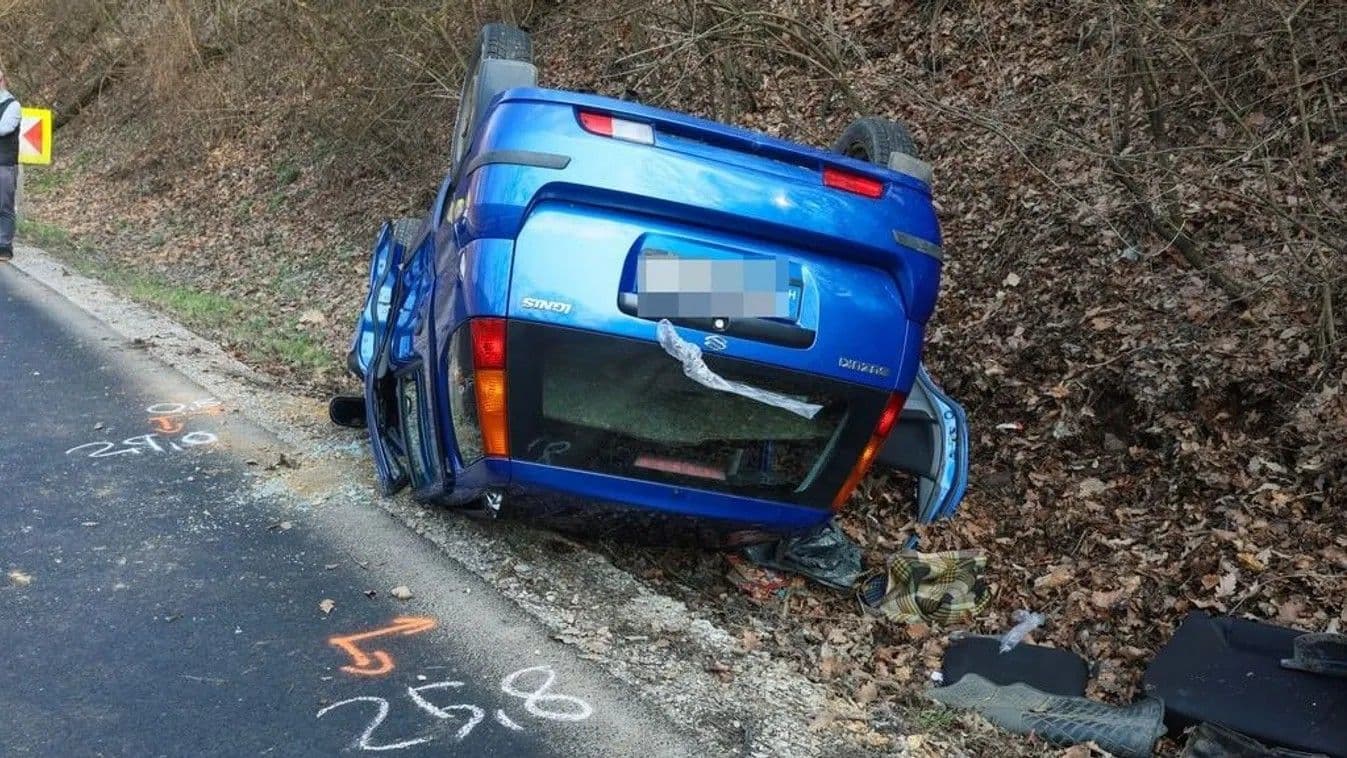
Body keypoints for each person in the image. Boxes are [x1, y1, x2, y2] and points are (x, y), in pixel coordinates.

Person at [0, 70, 21, 262]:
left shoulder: (13, 105)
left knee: (4, 206)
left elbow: (5, 128)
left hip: (4, 164)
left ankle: (4, 248)